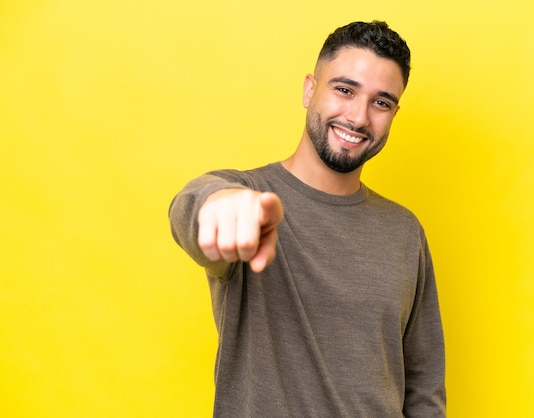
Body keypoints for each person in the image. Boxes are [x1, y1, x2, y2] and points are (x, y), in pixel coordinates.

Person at [169, 20, 446, 417]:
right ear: (309, 89)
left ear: (394, 113)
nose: (359, 117)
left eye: (381, 102)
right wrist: (217, 204)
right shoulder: (251, 199)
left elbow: (425, 388)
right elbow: (193, 207)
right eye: (345, 90)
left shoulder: (405, 232)